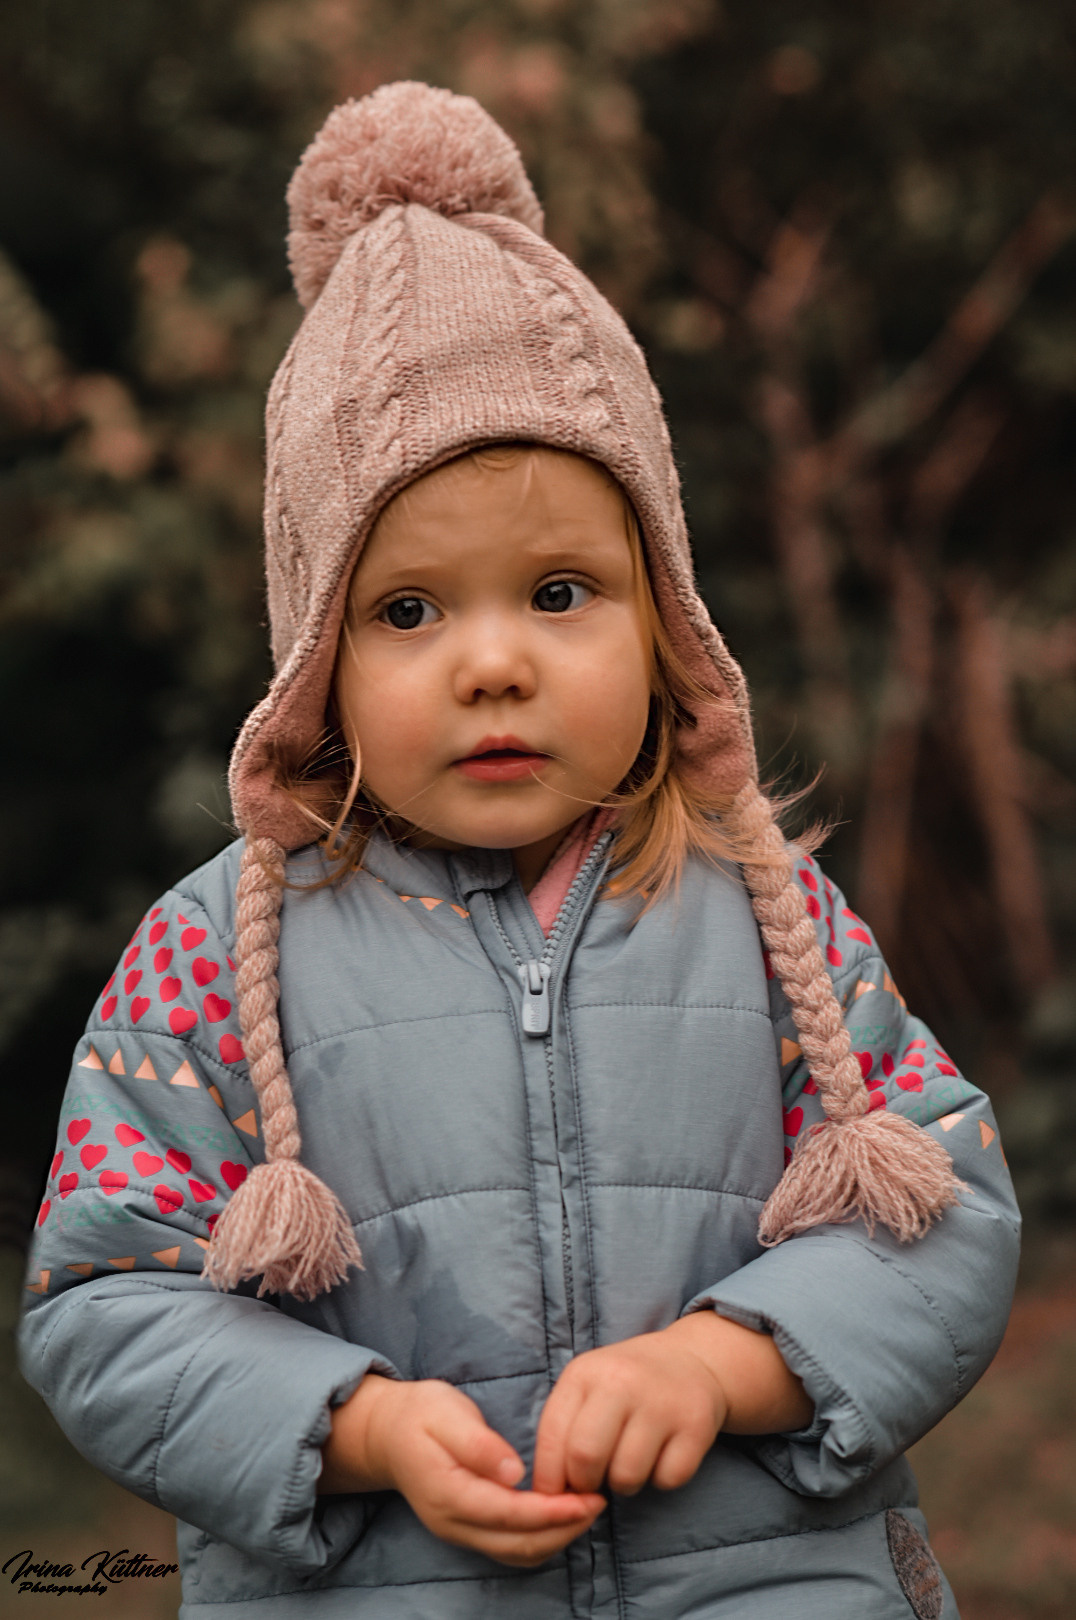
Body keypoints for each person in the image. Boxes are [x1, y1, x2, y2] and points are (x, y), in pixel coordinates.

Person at [19, 82, 1018, 1619]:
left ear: (667, 619)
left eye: (560, 593)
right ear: (315, 662)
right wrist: (356, 1427)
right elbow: (105, 1303)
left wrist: (736, 1361)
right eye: (409, 609)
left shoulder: (766, 914)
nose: (495, 663)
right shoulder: (216, 953)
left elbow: (939, 1215)